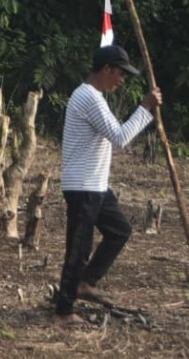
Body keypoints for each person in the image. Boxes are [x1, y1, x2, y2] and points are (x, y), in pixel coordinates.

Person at [54, 44, 160, 327]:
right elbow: (120, 137)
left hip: (96, 185)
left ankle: (86, 281)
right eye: (120, 73)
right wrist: (145, 109)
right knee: (79, 248)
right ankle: (64, 310)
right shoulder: (88, 97)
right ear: (106, 69)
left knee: (119, 230)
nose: (122, 80)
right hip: (83, 186)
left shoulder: (95, 96)